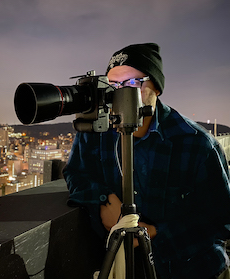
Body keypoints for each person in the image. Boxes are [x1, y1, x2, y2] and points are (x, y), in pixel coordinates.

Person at [63, 43, 230, 278]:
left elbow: (221, 219)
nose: (120, 94)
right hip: (127, 268)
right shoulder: (95, 132)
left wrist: (152, 233)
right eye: (113, 85)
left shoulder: (196, 143)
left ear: (157, 88)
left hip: (191, 269)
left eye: (132, 83)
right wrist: (103, 199)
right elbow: (76, 173)